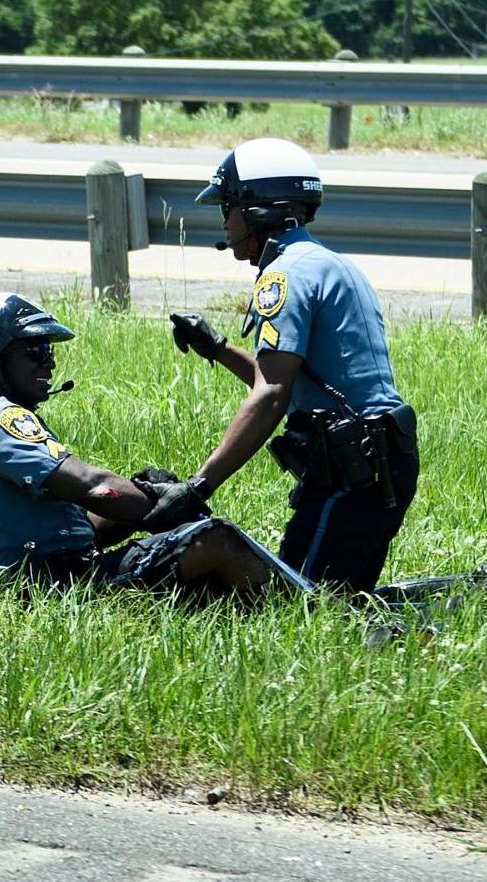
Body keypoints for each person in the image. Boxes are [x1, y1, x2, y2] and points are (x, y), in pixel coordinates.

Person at [142, 138, 419, 593]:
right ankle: (486, 587)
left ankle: (469, 597)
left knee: (301, 609)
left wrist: (199, 486)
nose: (224, 220)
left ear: (258, 212)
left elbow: (271, 395)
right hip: (378, 461)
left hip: (352, 472)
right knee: (337, 598)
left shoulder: (282, 275)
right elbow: (282, 378)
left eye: (229, 207)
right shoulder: (330, 263)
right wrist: (218, 348)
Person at [0, 292, 164, 585]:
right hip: (57, 587)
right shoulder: (0, 419)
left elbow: (70, 526)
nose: (50, 364)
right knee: (213, 540)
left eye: (49, 351)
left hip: (55, 576)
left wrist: (151, 496)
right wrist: (167, 505)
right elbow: (92, 486)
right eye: (36, 351)